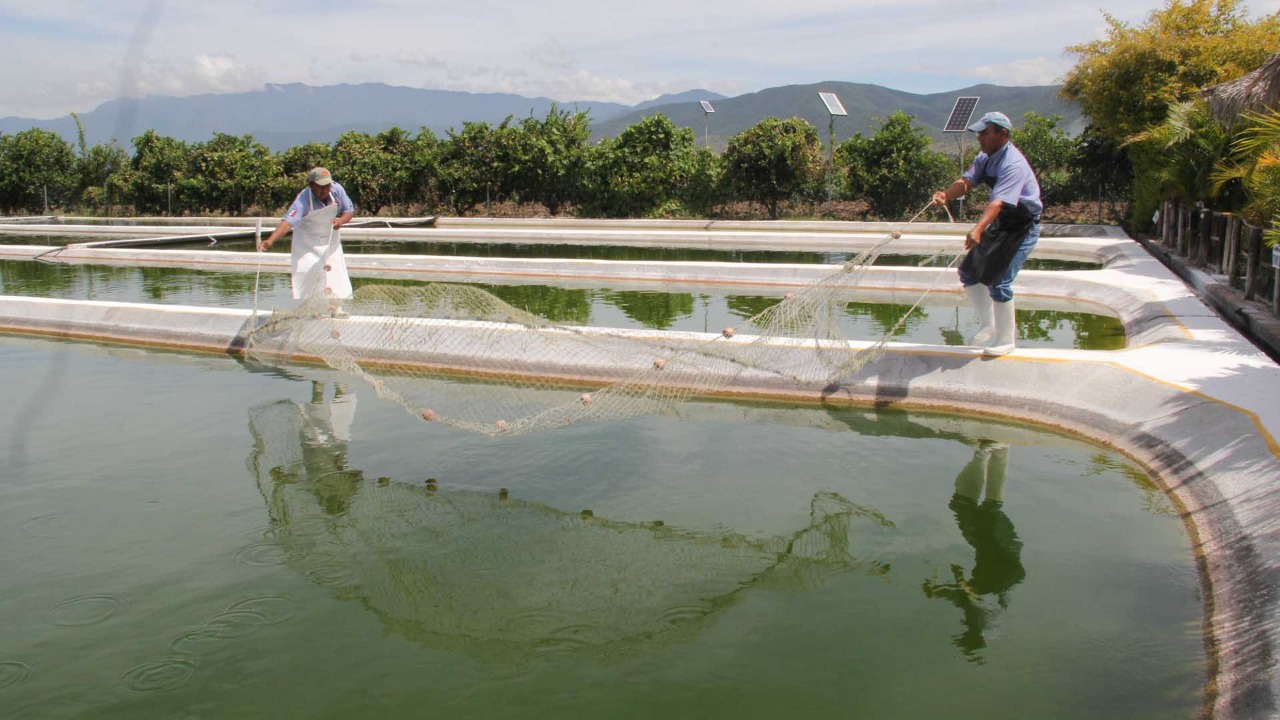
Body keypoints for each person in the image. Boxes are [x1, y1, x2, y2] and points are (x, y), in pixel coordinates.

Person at [932, 111, 1042, 356]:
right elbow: (967, 181)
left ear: (1002, 134)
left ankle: (1006, 339)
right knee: (968, 272)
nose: (979, 137)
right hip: (1002, 223)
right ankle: (988, 325)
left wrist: (978, 228)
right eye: (979, 133)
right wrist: (945, 195)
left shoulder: (1013, 164)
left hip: (1023, 226)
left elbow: (998, 202)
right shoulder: (985, 157)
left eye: (984, 132)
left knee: (1000, 281)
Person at [259, 167, 355, 313]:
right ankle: (313, 310)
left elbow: (349, 211)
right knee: (309, 273)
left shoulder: (337, 190)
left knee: (335, 273)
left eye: (327, 186)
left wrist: (340, 221)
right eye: (320, 187)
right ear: (311, 185)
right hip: (307, 241)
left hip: (330, 238)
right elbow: (288, 222)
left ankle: (336, 309)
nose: (325, 190)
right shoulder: (303, 199)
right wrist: (270, 240)